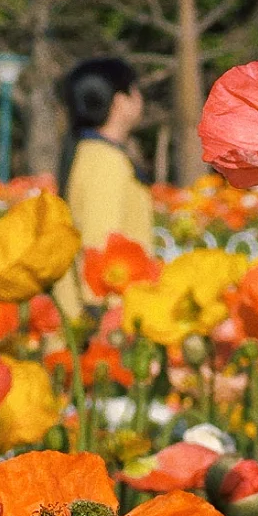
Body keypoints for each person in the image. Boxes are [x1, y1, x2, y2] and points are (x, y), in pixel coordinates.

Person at [55, 56, 154, 319]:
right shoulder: (103, 161)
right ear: (121, 102)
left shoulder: (92, 153)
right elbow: (98, 245)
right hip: (99, 320)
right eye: (136, 91)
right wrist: (103, 318)